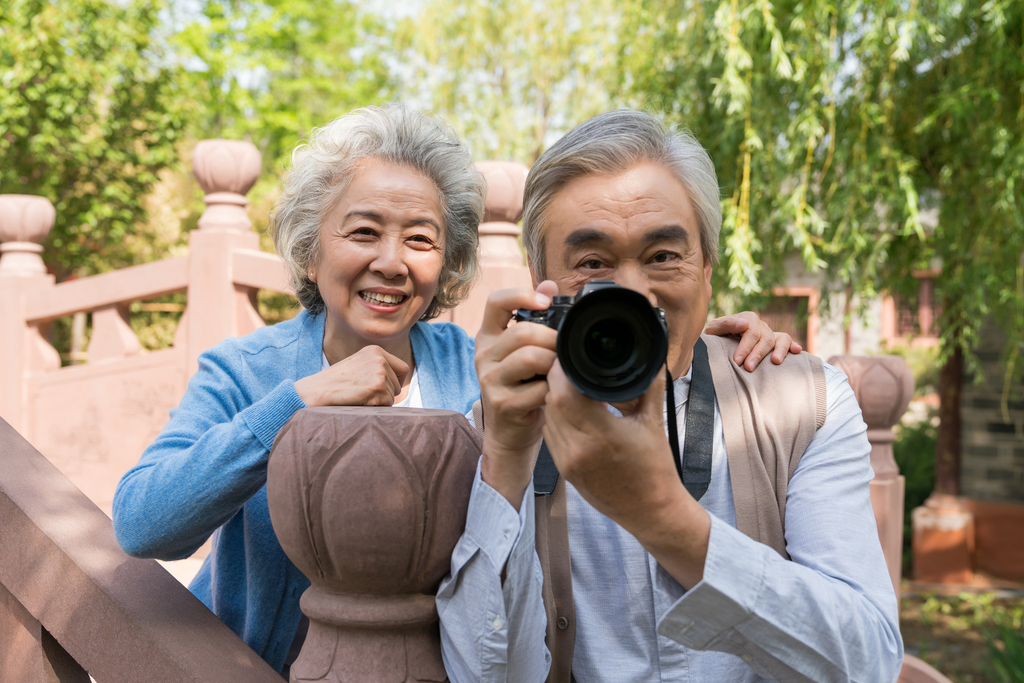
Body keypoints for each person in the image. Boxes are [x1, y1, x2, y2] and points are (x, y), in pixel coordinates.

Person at [112, 104, 795, 675]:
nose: (391, 260)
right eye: (363, 231)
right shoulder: (244, 370)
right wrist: (300, 402)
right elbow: (144, 522)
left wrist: (712, 347)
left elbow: (612, 343)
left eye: (420, 238)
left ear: (445, 265)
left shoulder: (470, 366)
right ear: (311, 249)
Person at [437, 110, 904, 683]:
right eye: (593, 263)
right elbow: (482, 674)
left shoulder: (801, 404)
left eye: (663, 256)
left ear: (707, 267)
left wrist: (668, 522)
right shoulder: (499, 421)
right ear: (541, 279)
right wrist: (507, 460)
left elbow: (870, 662)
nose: (633, 291)